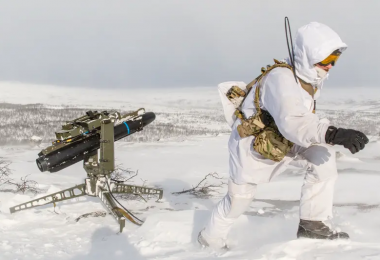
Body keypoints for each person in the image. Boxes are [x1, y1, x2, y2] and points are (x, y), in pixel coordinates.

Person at [198, 21, 369, 249]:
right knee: (237, 202)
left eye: (334, 61)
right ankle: (209, 241)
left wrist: (327, 135)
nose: (330, 67)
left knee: (323, 159)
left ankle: (313, 224)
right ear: (308, 56)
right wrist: (333, 133)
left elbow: (301, 118)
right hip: (251, 147)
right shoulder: (281, 79)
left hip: (283, 139)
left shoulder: (307, 77)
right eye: (326, 60)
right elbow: (293, 122)